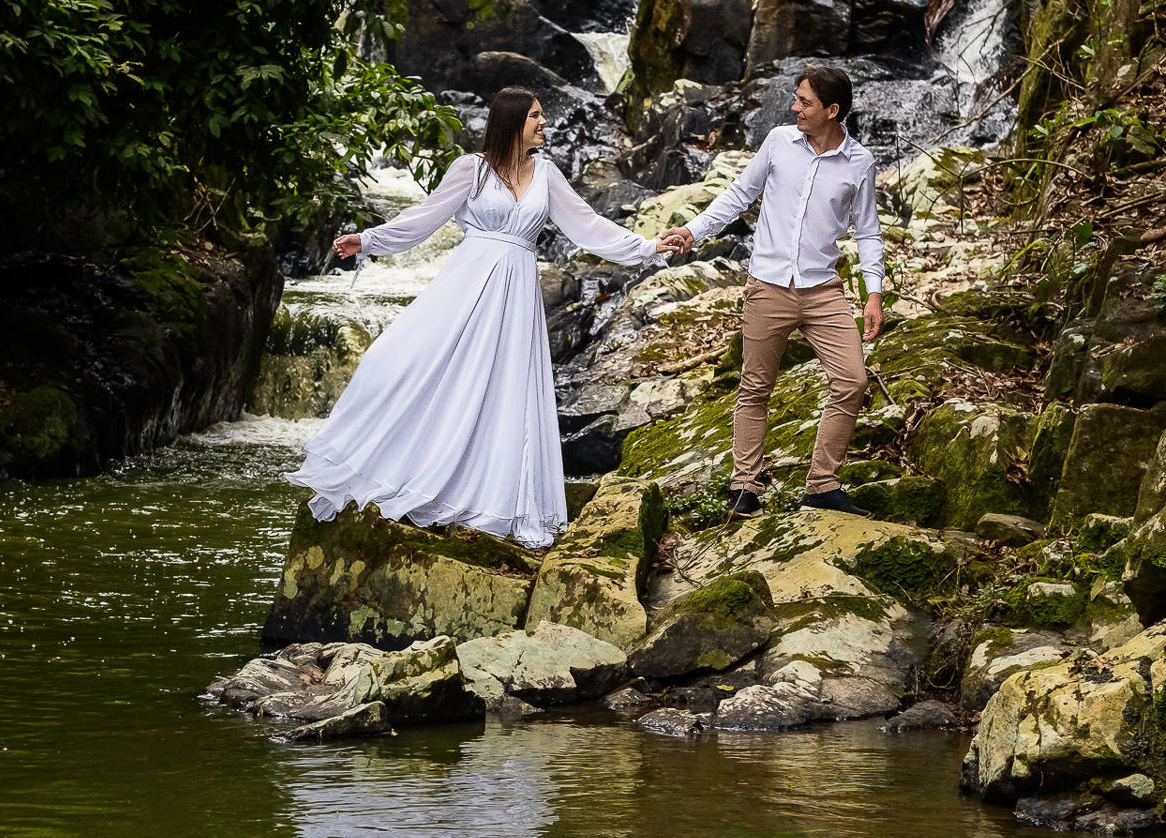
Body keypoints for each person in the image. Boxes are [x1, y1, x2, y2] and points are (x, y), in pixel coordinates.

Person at [286, 87, 686, 545]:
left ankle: (485, 495)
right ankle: (393, 464)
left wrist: (649, 247)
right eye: (536, 116)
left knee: (502, 388)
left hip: (515, 293)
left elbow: (589, 226)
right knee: (408, 362)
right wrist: (371, 240)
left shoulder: (548, 175)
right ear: (513, 121)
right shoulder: (470, 170)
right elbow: (425, 216)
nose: (544, 124)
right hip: (465, 284)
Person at [659, 64, 885, 518]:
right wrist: (693, 231)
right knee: (755, 387)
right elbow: (739, 194)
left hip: (824, 290)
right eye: (796, 98)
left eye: (804, 102)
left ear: (832, 111)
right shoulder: (779, 142)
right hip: (767, 287)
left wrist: (873, 292)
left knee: (852, 380)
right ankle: (745, 486)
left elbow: (868, 232)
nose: (794, 107)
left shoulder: (859, 162)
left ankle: (822, 485)